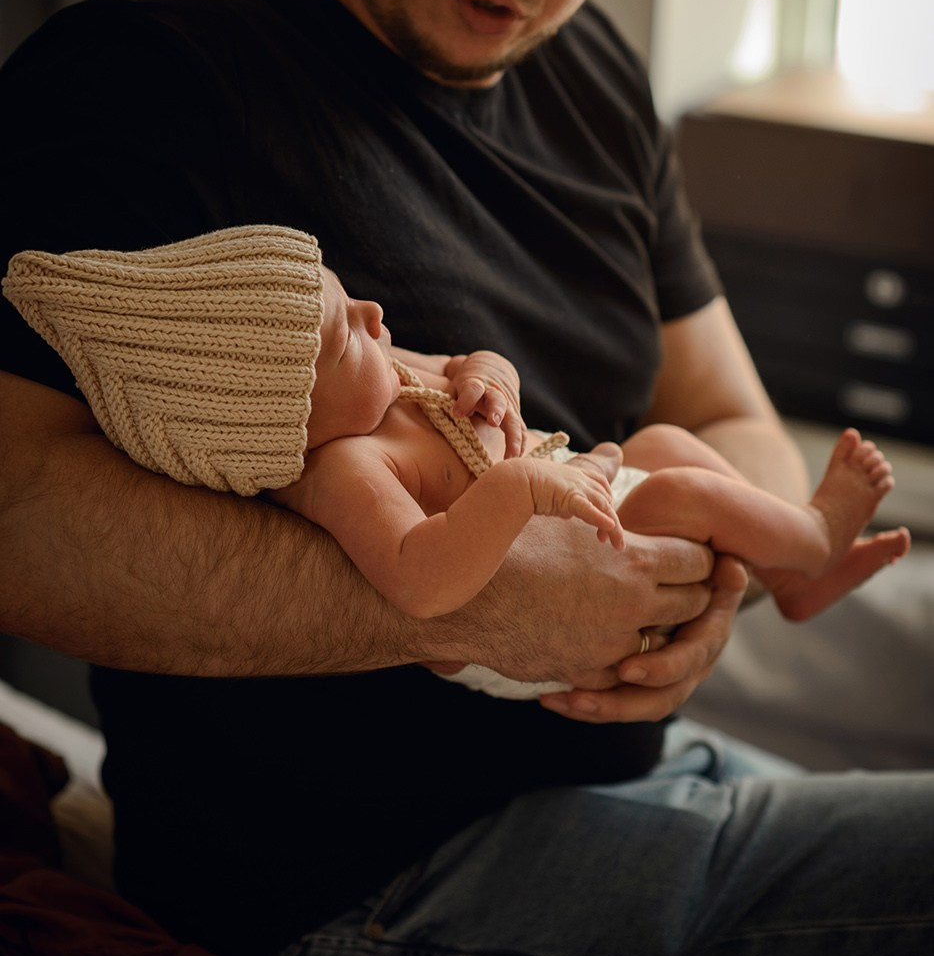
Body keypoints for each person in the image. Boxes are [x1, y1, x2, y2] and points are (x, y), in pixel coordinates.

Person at [0, 0, 930, 956]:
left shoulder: (592, 79)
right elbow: (16, 520)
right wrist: (458, 610)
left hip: (639, 787)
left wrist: (702, 597)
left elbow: (724, 412)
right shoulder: (142, 77)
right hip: (364, 895)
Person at [3, 224, 909, 658]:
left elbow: (471, 362)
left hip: (577, 504)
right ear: (285, 421)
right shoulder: (346, 470)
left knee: (669, 438)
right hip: (526, 627)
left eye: (340, 291)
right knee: (677, 497)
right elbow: (422, 580)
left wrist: (491, 377)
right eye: (341, 334)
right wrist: (519, 493)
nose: (369, 311)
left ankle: (794, 574)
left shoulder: (381, 376)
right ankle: (814, 533)